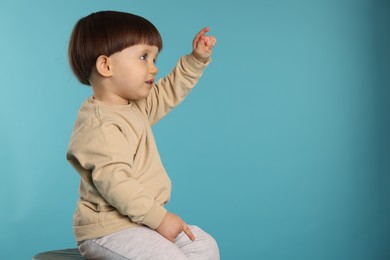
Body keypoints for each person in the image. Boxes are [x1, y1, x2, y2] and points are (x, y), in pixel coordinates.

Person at [66, 10, 219, 259]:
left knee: (204, 245)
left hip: (141, 222)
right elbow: (117, 184)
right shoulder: (100, 126)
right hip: (109, 231)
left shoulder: (135, 105)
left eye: (154, 59)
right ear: (106, 65)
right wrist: (159, 219)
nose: (154, 69)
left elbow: (169, 91)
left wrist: (195, 60)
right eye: (144, 57)